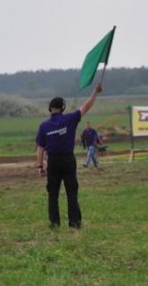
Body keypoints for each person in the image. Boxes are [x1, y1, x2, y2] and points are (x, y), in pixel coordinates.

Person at [35, 83, 103, 229]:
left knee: (53, 194)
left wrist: (40, 166)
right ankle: (74, 223)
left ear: (50, 109)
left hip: (52, 161)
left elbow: (40, 148)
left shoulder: (44, 126)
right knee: (71, 191)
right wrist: (95, 92)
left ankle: (54, 223)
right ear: (63, 108)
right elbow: (86, 107)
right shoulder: (70, 119)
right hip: (67, 160)